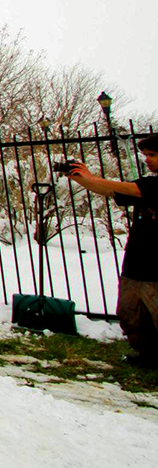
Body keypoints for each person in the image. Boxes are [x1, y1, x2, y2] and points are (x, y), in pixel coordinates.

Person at [66, 133, 158, 367]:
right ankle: (150, 356)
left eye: (153, 155)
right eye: (146, 155)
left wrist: (91, 177)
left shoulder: (153, 186)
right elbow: (111, 192)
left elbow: (129, 189)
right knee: (131, 317)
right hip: (136, 266)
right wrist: (80, 178)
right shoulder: (147, 185)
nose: (147, 160)